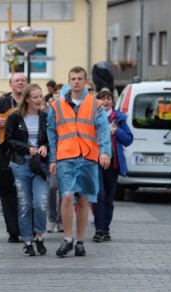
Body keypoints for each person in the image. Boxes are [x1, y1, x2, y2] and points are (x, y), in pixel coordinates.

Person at [47, 66, 111, 257]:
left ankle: (80, 241)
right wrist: (52, 158)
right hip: (66, 156)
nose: (76, 81)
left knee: (83, 199)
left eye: (79, 78)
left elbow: (103, 130)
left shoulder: (95, 104)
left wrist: (105, 152)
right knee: (67, 195)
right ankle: (67, 239)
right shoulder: (56, 105)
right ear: (69, 80)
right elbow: (51, 134)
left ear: (85, 81)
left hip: (88, 157)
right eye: (73, 78)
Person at [4, 83, 50, 256]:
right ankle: (27, 240)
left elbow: (51, 138)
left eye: (41, 96)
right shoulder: (15, 116)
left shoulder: (46, 117)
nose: (39, 100)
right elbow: (8, 140)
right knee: (24, 204)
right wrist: (25, 147)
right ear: (28, 99)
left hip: (40, 165)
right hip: (21, 164)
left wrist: (45, 146)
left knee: (40, 203)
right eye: (36, 97)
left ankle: (39, 235)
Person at [0, 72, 28, 243]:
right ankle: (13, 231)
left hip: (27, 151)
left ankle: (28, 228)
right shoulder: (4, 102)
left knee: (27, 192)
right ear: (11, 85)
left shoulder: (31, 101)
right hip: (5, 151)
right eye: (16, 80)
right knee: (7, 191)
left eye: (23, 80)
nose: (20, 83)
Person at [92, 88, 134, 242]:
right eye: (103, 98)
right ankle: (98, 229)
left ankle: (106, 228)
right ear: (98, 101)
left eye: (109, 98)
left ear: (113, 101)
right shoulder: (92, 116)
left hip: (113, 162)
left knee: (109, 198)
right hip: (95, 161)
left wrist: (117, 132)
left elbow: (129, 139)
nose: (106, 101)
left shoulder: (119, 118)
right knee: (99, 194)